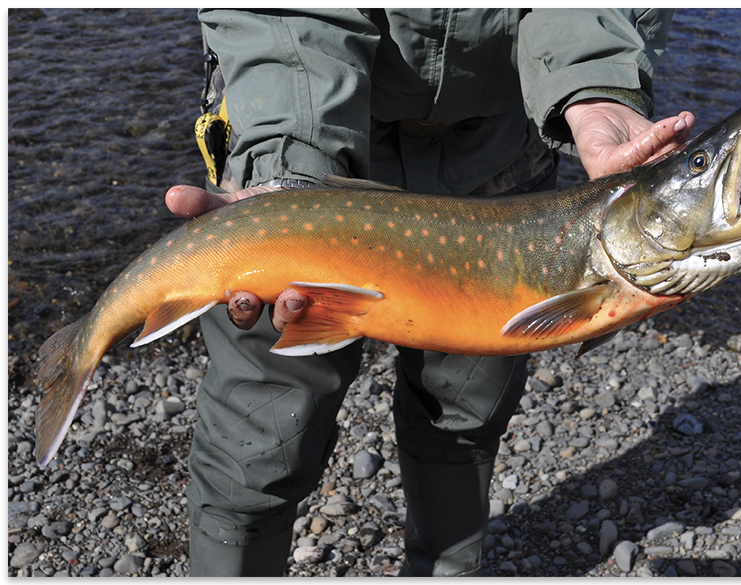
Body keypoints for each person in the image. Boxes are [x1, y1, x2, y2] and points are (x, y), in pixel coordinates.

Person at [165, 9, 695, 577]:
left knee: (464, 416)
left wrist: (596, 90)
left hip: (500, 154)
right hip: (294, 131)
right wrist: (289, 170)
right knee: (259, 429)